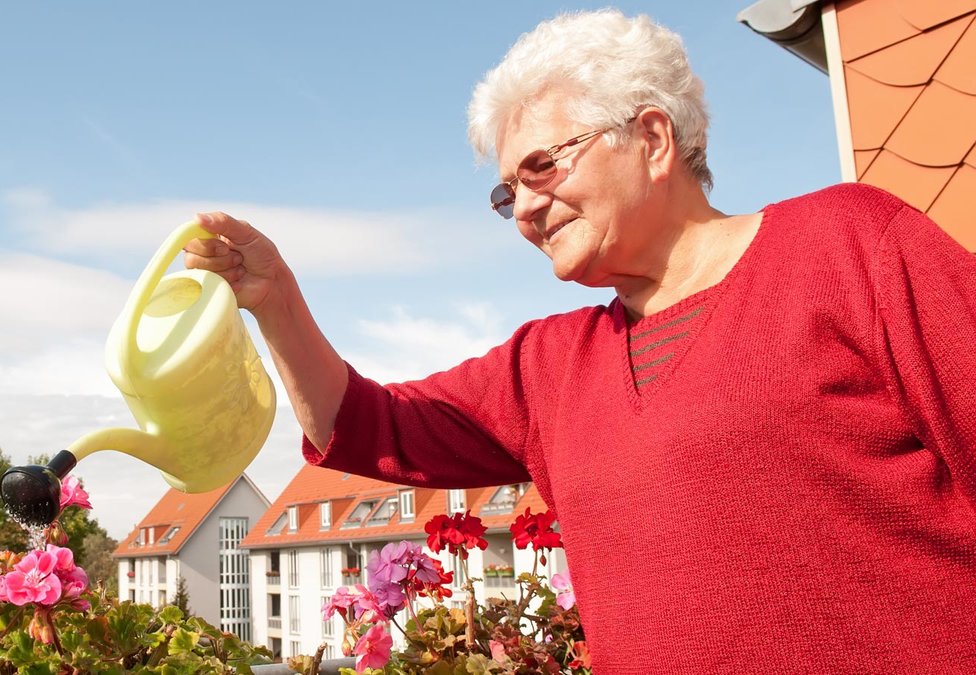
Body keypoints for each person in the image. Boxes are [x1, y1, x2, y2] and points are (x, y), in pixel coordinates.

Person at [185, 9, 976, 671]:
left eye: (542, 167)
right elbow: (364, 424)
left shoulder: (851, 246)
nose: (524, 208)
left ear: (654, 138)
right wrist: (276, 299)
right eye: (507, 191)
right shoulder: (547, 368)